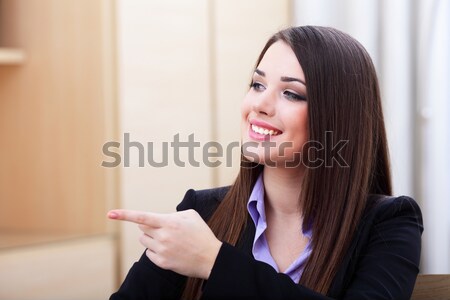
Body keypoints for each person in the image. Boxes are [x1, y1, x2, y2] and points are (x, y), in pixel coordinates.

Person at [108, 26, 423, 300]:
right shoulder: (202, 213)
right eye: (257, 85)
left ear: (338, 117)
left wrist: (214, 262)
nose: (259, 104)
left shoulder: (389, 222)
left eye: (291, 93)